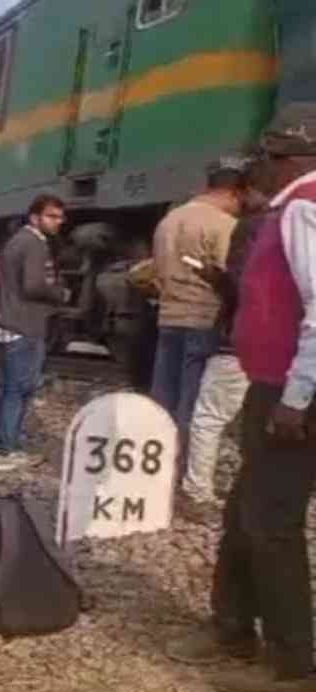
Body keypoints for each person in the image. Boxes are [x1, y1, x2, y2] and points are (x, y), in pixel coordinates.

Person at [165, 104, 316, 692]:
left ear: (289, 159)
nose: (263, 173)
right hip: (275, 384)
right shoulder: (293, 206)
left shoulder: (304, 206)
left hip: (291, 391)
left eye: (269, 161)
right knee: (245, 509)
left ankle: (295, 665)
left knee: (271, 523)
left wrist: (296, 399)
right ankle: (231, 627)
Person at [150, 159, 248, 475]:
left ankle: (156, 463)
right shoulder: (223, 224)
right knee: (191, 402)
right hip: (203, 320)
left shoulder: (169, 220)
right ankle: (180, 469)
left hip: (168, 316)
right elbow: (228, 276)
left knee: (163, 396)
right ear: (234, 193)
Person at [182, 184, 269, 504]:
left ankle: (197, 490)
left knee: (209, 417)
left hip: (240, 342)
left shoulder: (252, 227)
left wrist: (214, 277)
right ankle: (254, 493)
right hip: (280, 346)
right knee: (260, 420)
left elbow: (242, 286)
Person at [0, 195, 71, 472]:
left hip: (8, 323)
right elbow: (33, 285)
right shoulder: (34, 243)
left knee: (4, 389)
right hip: (26, 326)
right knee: (19, 390)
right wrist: (59, 293)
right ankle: (7, 451)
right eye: (52, 216)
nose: (59, 222)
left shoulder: (16, 241)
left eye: (60, 217)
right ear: (35, 218)